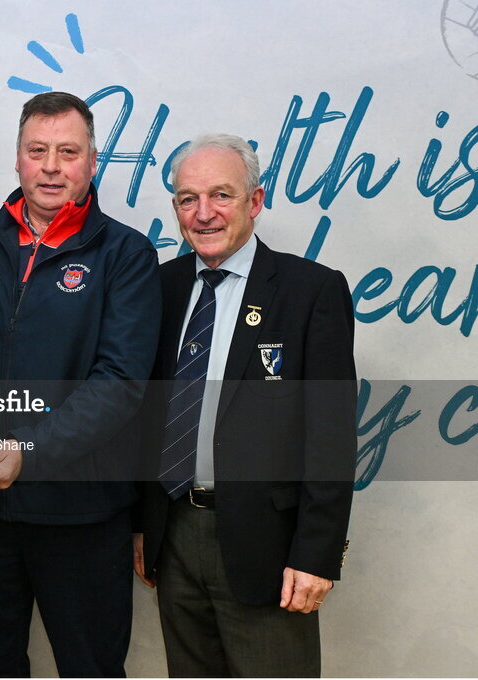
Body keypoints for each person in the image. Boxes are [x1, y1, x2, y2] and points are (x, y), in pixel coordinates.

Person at [0, 91, 162, 677]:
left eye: (69, 151)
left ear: (92, 163)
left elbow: (120, 383)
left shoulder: (126, 255)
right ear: (17, 159)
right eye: (39, 151)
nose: (52, 166)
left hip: (82, 518)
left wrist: (28, 453)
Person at [133, 134, 357, 677]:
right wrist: (144, 526)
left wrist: (315, 554)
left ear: (254, 202)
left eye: (221, 196)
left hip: (268, 547)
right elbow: (147, 418)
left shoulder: (311, 292)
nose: (203, 213)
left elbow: (330, 436)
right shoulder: (158, 288)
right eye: (188, 199)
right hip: (175, 535)